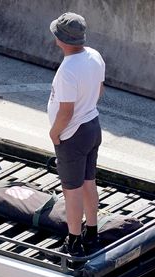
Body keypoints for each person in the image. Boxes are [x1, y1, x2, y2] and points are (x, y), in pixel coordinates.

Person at [47, 12, 106, 256]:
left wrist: (55, 133)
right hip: (92, 124)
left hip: (72, 135)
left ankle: (73, 241)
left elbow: (66, 112)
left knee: (71, 190)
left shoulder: (67, 70)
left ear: (61, 40)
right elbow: (99, 90)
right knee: (88, 182)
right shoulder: (94, 56)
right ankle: (92, 232)